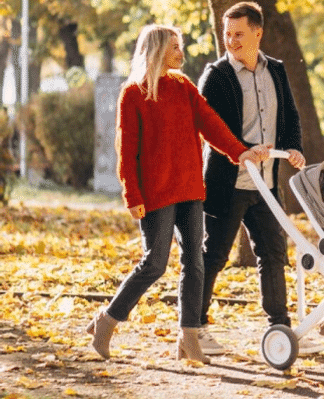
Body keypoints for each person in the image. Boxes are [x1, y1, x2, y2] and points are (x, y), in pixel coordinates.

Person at [87, 25, 268, 363]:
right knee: (154, 264)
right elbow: (127, 152)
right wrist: (132, 195)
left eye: (180, 46)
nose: (181, 53)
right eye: (174, 47)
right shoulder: (133, 94)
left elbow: (210, 122)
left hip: (189, 189)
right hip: (155, 194)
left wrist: (239, 151)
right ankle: (107, 321)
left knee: (195, 263)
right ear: (156, 50)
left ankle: (188, 338)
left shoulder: (183, 86)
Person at [197, 1, 307, 356]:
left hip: (267, 183)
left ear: (258, 33)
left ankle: (280, 329)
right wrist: (244, 149)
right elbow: (212, 130)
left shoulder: (275, 70)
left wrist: (293, 149)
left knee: (274, 253)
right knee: (214, 254)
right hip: (228, 181)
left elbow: (289, 116)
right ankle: (194, 328)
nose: (231, 41)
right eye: (227, 34)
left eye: (239, 34)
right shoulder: (216, 75)